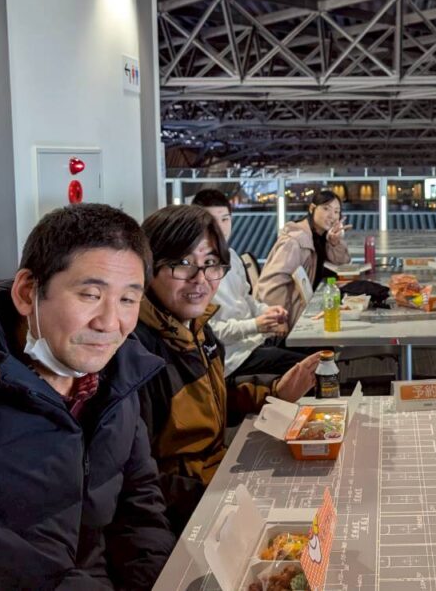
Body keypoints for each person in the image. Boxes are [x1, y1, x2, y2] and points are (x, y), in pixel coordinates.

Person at [0, 204, 175, 589]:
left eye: (128, 300)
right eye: (90, 294)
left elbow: (139, 504)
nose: (110, 323)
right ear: (27, 293)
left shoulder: (116, 378)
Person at [134, 205, 321, 534]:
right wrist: (223, 500)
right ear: (149, 268)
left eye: (210, 264)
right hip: (188, 512)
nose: (200, 279)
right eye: (183, 264)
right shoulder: (138, 355)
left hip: (216, 477)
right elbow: (139, 483)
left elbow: (213, 401)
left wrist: (275, 393)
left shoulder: (197, 328)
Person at [190, 189, 303, 378]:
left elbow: (246, 299)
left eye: (225, 219)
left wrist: (267, 311)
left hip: (254, 341)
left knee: (316, 350)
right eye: (212, 221)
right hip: (232, 358)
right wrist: (255, 325)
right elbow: (211, 333)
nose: (220, 228)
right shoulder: (195, 272)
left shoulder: (232, 256)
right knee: (309, 367)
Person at [256, 190, 351, 331]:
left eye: (336, 211)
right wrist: (278, 320)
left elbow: (342, 263)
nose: (332, 216)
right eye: (326, 209)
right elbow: (272, 282)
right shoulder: (295, 241)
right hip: (293, 315)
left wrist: (335, 242)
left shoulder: (322, 236)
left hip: (311, 306)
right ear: (312, 208)